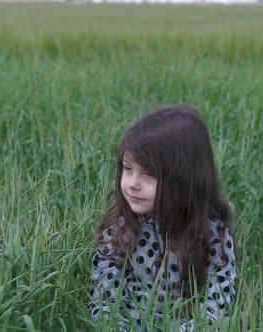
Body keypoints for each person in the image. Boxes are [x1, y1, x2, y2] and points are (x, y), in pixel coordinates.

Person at [89, 104, 237, 331]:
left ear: (184, 179)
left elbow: (217, 309)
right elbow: (103, 299)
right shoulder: (121, 226)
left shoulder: (212, 235)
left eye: (148, 173)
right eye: (128, 169)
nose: (132, 184)